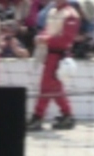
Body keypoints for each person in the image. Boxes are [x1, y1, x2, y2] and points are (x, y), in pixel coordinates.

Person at [26, 0, 80, 132]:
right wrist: (41, 36)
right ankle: (67, 115)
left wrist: (46, 40)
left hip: (59, 55)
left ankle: (38, 117)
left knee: (46, 86)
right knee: (54, 88)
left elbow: (66, 40)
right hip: (49, 53)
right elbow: (48, 30)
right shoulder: (52, 11)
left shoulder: (71, 15)